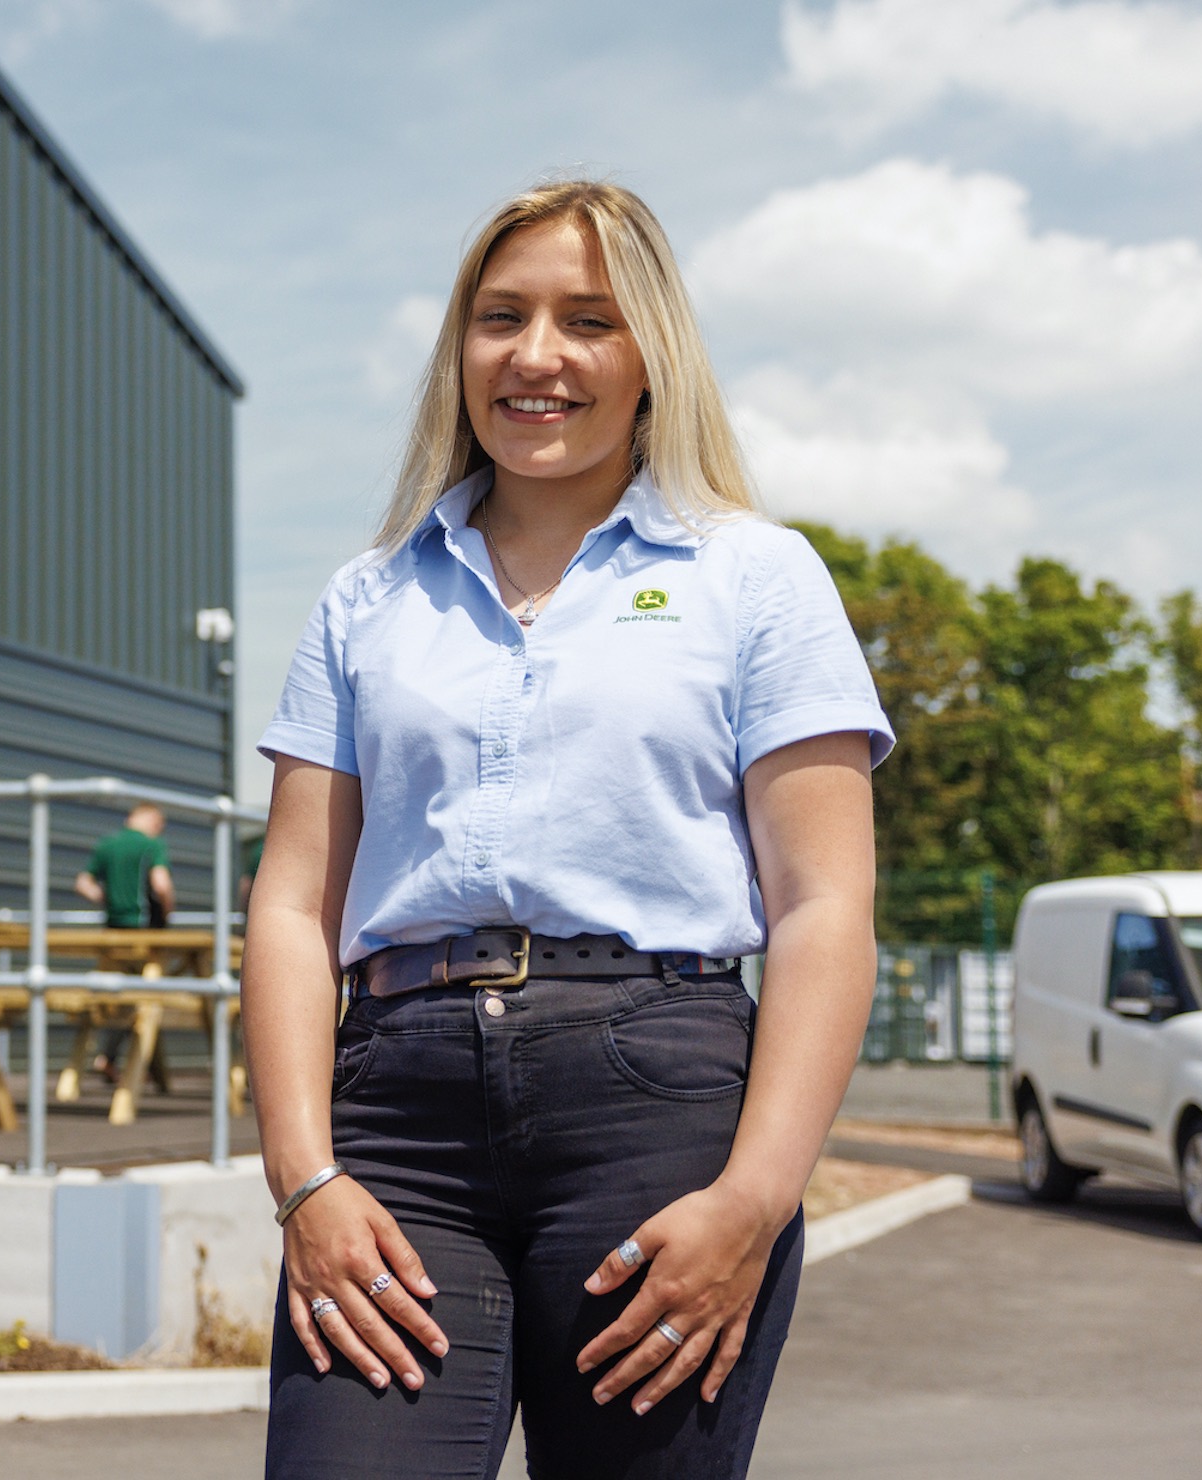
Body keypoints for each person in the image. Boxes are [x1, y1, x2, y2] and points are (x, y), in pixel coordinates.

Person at [248, 180, 890, 1478]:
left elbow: (825, 909)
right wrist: (303, 1180)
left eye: (586, 320)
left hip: (655, 1114)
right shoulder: (364, 600)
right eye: (501, 318)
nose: (536, 355)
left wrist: (756, 1199)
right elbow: (292, 906)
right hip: (398, 1122)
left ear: (651, 354)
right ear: (460, 349)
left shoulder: (757, 579)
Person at [74, 803, 176, 1079]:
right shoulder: (151, 845)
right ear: (150, 818)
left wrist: (107, 901)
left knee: (116, 993)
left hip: (112, 931)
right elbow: (161, 885)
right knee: (142, 997)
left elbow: (83, 883)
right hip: (144, 931)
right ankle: (109, 1058)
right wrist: (167, 911)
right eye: (160, 824)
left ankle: (112, 1059)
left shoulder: (108, 845)